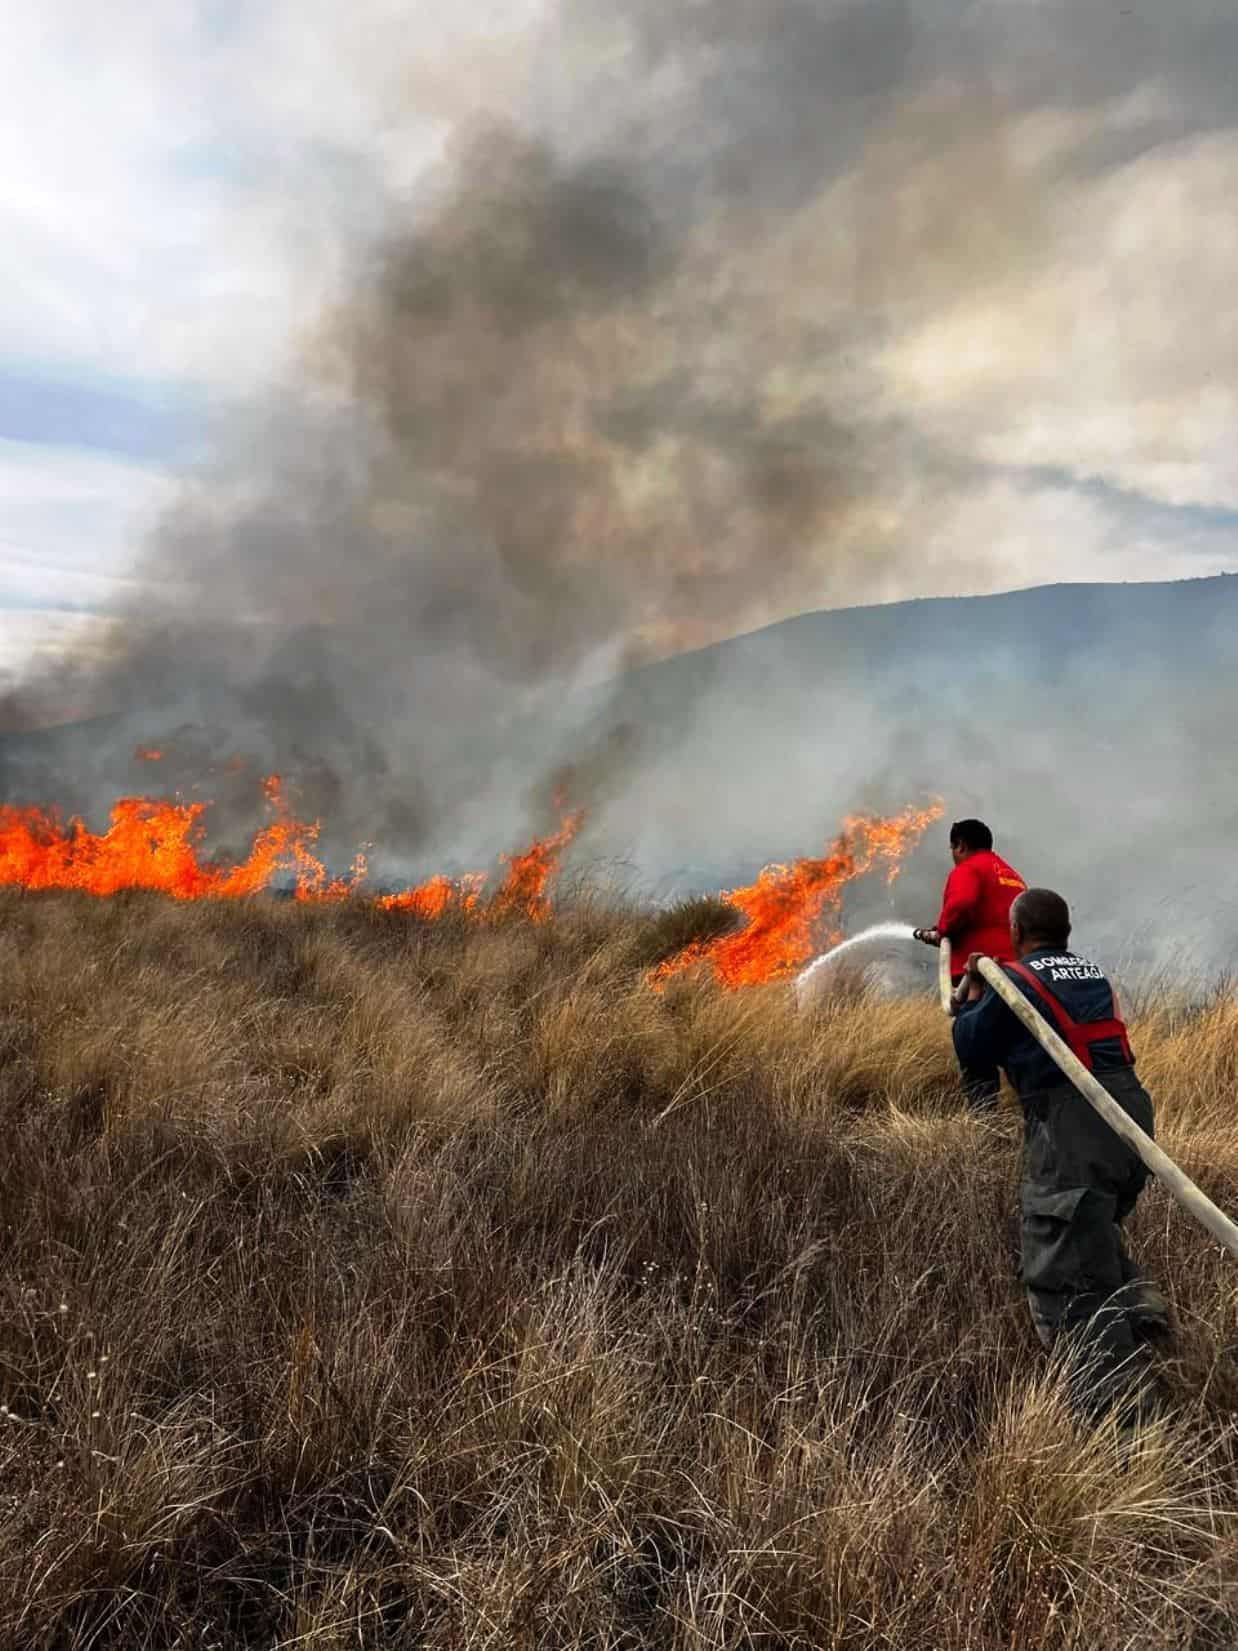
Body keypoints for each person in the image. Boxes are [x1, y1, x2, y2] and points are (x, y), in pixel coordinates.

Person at [951, 887, 1170, 1423]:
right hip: (1130, 1120)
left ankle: (1118, 1428)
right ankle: (1146, 1327)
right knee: (1093, 1231)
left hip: (1078, 1121)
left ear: (1017, 935)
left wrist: (972, 1000)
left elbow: (973, 1047)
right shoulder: (1091, 975)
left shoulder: (1015, 981)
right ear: (1066, 934)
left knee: (1066, 1273)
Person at [914, 819, 1027, 1108]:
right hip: (1020, 978)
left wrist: (942, 930)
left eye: (952, 848)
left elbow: (961, 905)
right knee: (1018, 1055)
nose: (952, 855)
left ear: (960, 845)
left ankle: (985, 1127)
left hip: (981, 980)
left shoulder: (969, 868)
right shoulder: (1012, 876)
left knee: (974, 1050)